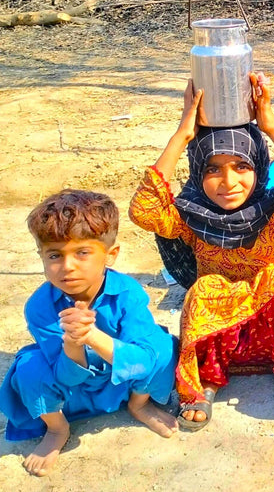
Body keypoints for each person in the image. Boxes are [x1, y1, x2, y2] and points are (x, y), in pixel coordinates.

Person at [129, 73, 274, 430]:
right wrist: (182, 134)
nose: (228, 182)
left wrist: (270, 125)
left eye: (242, 166)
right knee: (204, 290)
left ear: (259, 167)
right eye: (213, 169)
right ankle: (207, 380)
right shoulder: (191, 217)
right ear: (197, 171)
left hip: (273, 337)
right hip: (220, 338)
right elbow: (144, 211)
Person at [0, 190, 176, 476]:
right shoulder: (40, 307)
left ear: (111, 255)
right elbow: (63, 375)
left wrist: (92, 335)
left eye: (82, 252)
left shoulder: (129, 294)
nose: (67, 267)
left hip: (123, 383)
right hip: (72, 392)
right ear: (41, 256)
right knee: (28, 368)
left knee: (163, 346)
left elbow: (144, 361)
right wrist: (73, 342)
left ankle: (138, 405)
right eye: (54, 255)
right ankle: (57, 429)